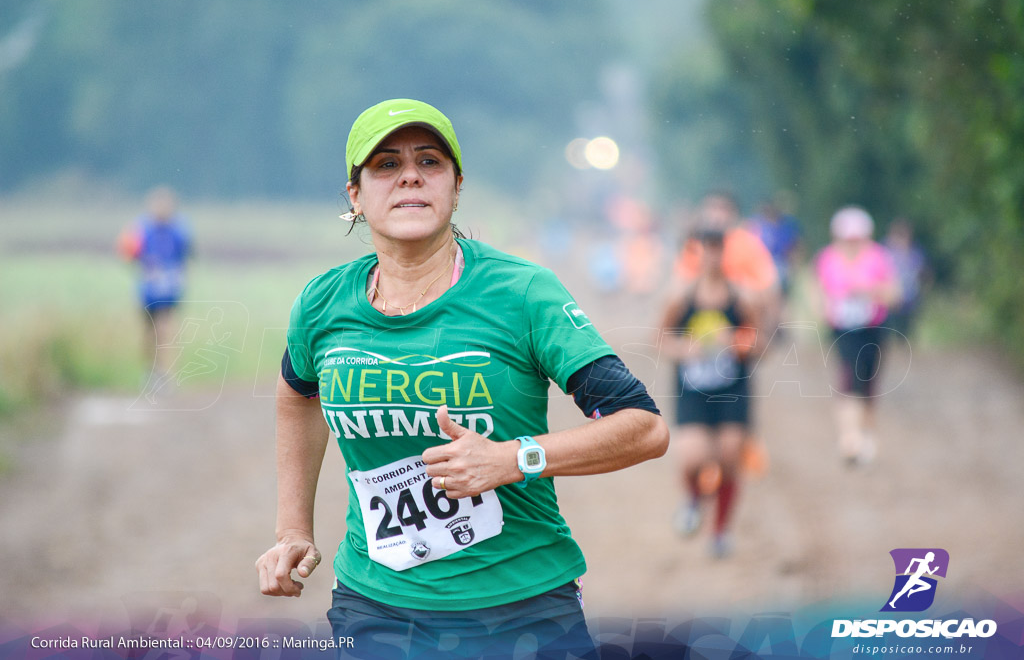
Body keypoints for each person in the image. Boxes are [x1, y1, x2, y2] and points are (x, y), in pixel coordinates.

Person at [255, 99, 669, 658]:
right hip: (375, 604)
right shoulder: (323, 304)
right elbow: (298, 394)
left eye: (429, 162)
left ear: (455, 187)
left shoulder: (522, 293)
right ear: (354, 195)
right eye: (385, 165)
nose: (409, 176)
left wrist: (511, 458)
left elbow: (642, 426)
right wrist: (293, 531)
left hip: (522, 608)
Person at [660, 229, 763, 558]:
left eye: (717, 250)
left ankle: (720, 532)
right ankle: (692, 500)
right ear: (695, 254)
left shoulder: (742, 297)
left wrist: (734, 341)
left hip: (732, 387)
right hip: (692, 388)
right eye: (704, 250)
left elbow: (757, 340)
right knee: (692, 456)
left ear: (725, 254)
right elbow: (662, 339)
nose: (711, 257)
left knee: (730, 456)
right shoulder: (681, 297)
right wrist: (685, 349)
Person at [814, 206, 900, 466]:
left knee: (868, 384)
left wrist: (868, 290)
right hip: (843, 329)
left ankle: (867, 433)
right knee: (848, 380)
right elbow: (818, 291)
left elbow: (895, 294)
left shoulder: (878, 257)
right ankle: (849, 438)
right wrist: (825, 312)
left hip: (873, 328)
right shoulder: (827, 258)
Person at [117, 186, 192, 380]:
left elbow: (187, 254)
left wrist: (178, 274)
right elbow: (128, 254)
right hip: (148, 291)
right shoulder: (141, 229)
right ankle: (150, 371)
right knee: (148, 333)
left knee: (165, 330)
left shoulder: (179, 230)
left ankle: (166, 373)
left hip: (169, 291)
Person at [883, 218, 929, 341]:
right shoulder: (884, 251)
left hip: (909, 294)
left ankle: (903, 343)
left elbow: (922, 271)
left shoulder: (914, 251)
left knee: (905, 324)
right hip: (889, 295)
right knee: (889, 323)